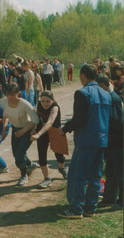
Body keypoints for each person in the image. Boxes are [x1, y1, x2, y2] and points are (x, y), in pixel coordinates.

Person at [57, 65, 111, 219]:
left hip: (86, 140)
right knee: (95, 175)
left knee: (77, 175)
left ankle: (76, 209)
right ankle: (90, 208)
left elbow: (78, 119)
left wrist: (64, 129)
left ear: (83, 75)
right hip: (102, 140)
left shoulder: (82, 93)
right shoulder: (106, 94)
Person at [1, 82, 40, 186]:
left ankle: (24, 175)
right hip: (15, 129)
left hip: (26, 130)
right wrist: (4, 128)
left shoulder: (24, 104)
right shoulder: (4, 102)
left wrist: (23, 131)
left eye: (12, 94)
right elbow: (5, 115)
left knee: (19, 154)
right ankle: (30, 164)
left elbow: (36, 119)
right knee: (16, 153)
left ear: (18, 93)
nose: (10, 97)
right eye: (8, 94)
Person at [31, 91, 68, 189]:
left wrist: (38, 134)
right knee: (42, 155)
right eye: (42, 101)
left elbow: (50, 122)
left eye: (47, 101)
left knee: (59, 154)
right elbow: (35, 118)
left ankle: (62, 168)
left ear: (53, 100)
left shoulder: (55, 107)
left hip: (55, 131)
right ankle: (47, 179)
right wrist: (34, 129)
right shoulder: (38, 105)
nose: (44, 103)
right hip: (42, 131)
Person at [96, 76, 123, 207]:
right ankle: (109, 198)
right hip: (112, 143)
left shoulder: (113, 99)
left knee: (120, 172)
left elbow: (117, 122)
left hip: (118, 142)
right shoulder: (111, 97)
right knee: (111, 172)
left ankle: (122, 200)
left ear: (102, 85)